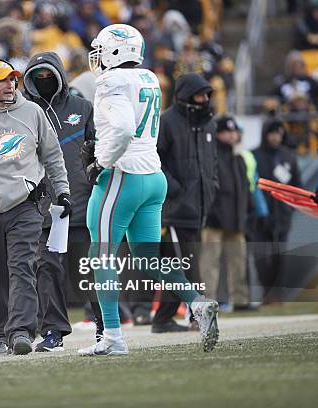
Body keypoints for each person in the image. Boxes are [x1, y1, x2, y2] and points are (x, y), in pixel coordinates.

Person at [78, 24, 219, 356]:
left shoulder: (110, 81)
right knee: (146, 258)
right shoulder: (149, 78)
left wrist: (101, 161)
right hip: (153, 177)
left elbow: (124, 127)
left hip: (122, 175)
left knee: (102, 254)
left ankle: (112, 337)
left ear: (114, 51)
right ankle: (196, 303)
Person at [0, 58, 70, 356]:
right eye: (2, 80)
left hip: (26, 204)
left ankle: (20, 331)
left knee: (22, 267)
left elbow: (53, 156)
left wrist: (63, 191)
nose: (9, 85)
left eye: (13, 79)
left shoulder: (32, 112)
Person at [22, 51, 97, 352]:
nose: (43, 80)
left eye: (48, 74)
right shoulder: (24, 113)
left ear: (60, 75)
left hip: (82, 204)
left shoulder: (83, 108)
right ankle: (53, 332)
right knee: (48, 271)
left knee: (92, 270)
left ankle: (106, 328)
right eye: (37, 76)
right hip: (44, 209)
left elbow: (98, 153)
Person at [151, 72, 220, 334]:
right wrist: (175, 189)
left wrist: (211, 187)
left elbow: (212, 163)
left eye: (207, 95)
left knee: (177, 266)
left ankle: (162, 320)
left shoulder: (209, 124)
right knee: (189, 266)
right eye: (200, 95)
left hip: (199, 208)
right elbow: (155, 159)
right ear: (185, 96)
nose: (204, 100)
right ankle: (199, 316)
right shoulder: (167, 122)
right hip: (176, 210)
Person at [200, 115, 251, 310]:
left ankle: (240, 299)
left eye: (233, 131)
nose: (231, 135)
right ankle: (207, 301)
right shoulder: (211, 155)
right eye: (226, 132)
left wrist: (245, 215)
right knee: (209, 263)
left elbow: (244, 189)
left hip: (235, 219)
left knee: (238, 261)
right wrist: (210, 212)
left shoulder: (238, 157)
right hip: (214, 219)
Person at [252, 119, 301, 302]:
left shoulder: (288, 157)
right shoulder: (254, 156)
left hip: (282, 218)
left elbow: (297, 186)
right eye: (272, 133)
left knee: (280, 256)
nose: (276, 137)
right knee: (261, 257)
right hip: (259, 218)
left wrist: (288, 211)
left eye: (279, 133)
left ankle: (277, 294)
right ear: (265, 135)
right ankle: (266, 292)